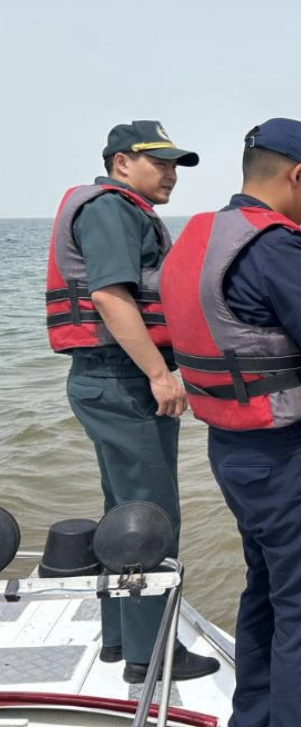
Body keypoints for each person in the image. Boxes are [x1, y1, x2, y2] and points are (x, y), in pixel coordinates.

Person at [160, 118, 301, 726]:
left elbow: (248, 325)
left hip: (230, 450)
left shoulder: (200, 235)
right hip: (290, 455)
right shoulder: (279, 243)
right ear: (296, 175)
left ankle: (252, 718)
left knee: (265, 592)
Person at [45, 120, 219, 683]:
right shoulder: (113, 209)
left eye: (175, 165)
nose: (171, 174)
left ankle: (121, 641)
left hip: (105, 379)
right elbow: (109, 295)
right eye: (160, 162)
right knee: (150, 516)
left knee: (124, 510)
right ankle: (152, 657)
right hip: (121, 378)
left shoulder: (110, 207)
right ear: (122, 163)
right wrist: (160, 375)